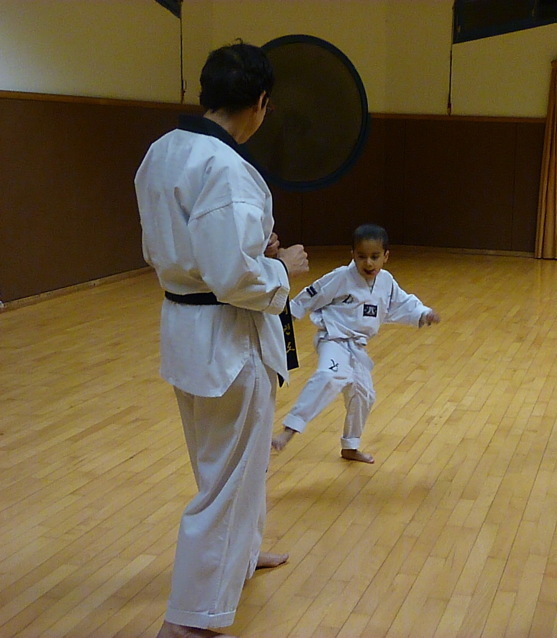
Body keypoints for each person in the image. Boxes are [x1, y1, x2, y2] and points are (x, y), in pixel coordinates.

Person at [135, 41, 309, 638]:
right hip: (228, 338)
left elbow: (184, 245)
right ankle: (191, 621)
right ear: (260, 103)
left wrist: (252, 250)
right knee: (227, 479)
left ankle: (241, 553)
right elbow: (235, 279)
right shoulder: (228, 169)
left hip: (185, 327)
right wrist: (281, 265)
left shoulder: (162, 151)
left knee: (231, 464)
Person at [272, 224, 440, 464]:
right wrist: (283, 322)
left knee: (363, 394)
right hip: (333, 338)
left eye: (375, 257)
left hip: (357, 347)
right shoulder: (341, 277)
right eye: (362, 256)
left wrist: (423, 313)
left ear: (386, 256)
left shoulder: (386, 282)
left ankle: (350, 445)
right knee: (330, 376)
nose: (368, 263)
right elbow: (310, 295)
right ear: (352, 254)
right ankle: (289, 430)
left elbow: (403, 303)